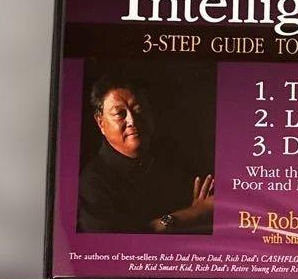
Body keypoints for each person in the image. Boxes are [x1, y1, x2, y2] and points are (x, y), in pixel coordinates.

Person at [77, 75, 215, 234]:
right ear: (101, 123)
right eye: (120, 114)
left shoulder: (173, 159)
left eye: (138, 109)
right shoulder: (92, 184)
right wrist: (192, 214)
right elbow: (118, 243)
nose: (132, 121)